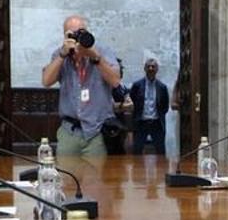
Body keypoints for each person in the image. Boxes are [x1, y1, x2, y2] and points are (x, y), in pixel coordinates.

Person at [40, 14, 121, 156]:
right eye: (72, 34)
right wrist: (62, 55)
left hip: (97, 131)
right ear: (65, 37)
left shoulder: (103, 51)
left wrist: (95, 58)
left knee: (96, 176)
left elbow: (115, 81)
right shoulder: (60, 55)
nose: (78, 38)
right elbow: (46, 81)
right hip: (69, 130)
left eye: (81, 32)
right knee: (67, 175)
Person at [130, 57, 169, 155]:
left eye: (153, 67)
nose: (151, 69)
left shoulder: (162, 87)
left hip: (156, 123)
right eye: (148, 66)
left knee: (160, 151)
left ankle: (161, 170)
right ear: (144, 68)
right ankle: (137, 170)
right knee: (137, 151)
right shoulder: (137, 85)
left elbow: (165, 106)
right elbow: (132, 102)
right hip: (141, 123)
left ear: (157, 69)